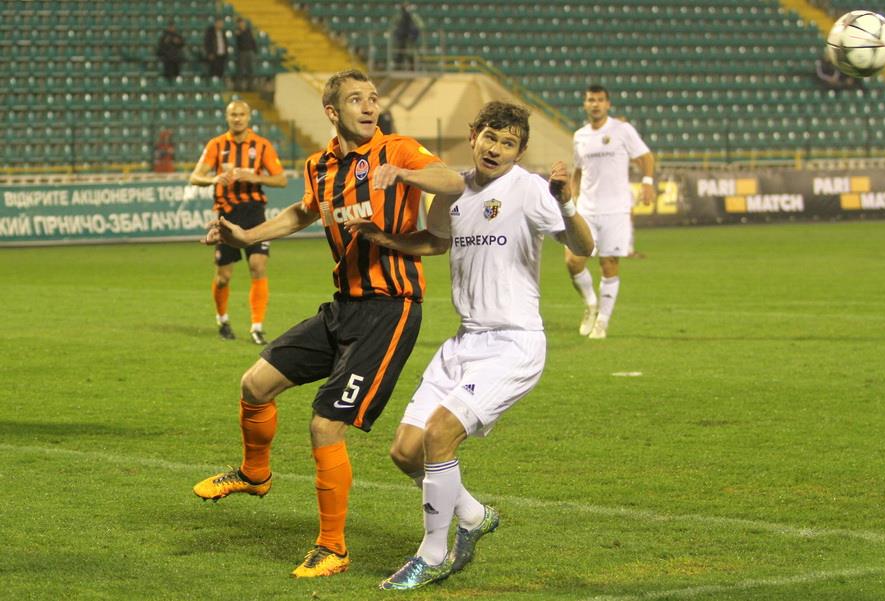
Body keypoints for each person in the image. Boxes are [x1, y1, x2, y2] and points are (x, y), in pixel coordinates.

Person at [191, 69, 465, 579]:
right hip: (343, 307)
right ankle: (254, 473)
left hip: (390, 309)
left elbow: (453, 181)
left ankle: (333, 547)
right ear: (333, 112)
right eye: (357, 99)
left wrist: (404, 176)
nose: (370, 106)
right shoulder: (320, 166)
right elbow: (302, 212)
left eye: (373, 98)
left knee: (324, 424)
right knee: (255, 384)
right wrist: (247, 236)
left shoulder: (397, 150)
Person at [345, 101, 594, 590]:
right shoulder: (453, 192)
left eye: (508, 143)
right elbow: (437, 241)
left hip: (513, 343)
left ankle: (434, 554)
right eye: (490, 138)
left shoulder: (529, 190)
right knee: (405, 452)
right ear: (473, 135)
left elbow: (583, 247)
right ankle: (476, 516)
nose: (496, 149)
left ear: (519, 151)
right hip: (464, 342)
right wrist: (385, 239)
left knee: (439, 434)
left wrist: (565, 202)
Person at [189, 100, 287, 344]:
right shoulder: (216, 145)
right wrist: (214, 180)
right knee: (223, 276)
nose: (237, 118)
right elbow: (195, 177)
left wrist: (254, 177)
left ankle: (257, 327)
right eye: (233, 114)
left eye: (241, 114)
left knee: (258, 265)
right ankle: (222, 319)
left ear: (248, 116)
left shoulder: (262, 145)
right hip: (227, 215)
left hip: (254, 213)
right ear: (227, 117)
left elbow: (281, 179)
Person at [565, 84, 654, 340]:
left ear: (608, 104)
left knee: (609, 263)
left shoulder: (622, 130)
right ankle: (591, 304)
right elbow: (578, 170)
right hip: (586, 209)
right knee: (573, 261)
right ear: (585, 104)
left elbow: (646, 157)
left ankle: (602, 321)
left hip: (616, 210)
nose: (595, 104)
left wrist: (648, 182)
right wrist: (571, 199)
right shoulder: (580, 136)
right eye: (591, 100)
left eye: (600, 100)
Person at [392, 3, 425, 70]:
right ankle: (398, 67)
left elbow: (421, 25)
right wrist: (397, 31)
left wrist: (414, 31)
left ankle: (413, 68)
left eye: (407, 7)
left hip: (411, 38)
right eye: (404, 7)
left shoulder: (414, 16)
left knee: (411, 53)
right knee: (400, 52)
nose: (406, 9)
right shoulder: (399, 16)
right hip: (401, 38)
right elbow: (393, 26)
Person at [235, 18, 257, 91]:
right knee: (240, 70)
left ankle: (250, 86)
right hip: (242, 52)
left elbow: (253, 40)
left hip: (250, 51)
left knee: (251, 70)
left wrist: (254, 50)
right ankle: (239, 86)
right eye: (240, 23)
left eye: (242, 22)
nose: (241, 24)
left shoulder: (248, 31)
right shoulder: (237, 31)